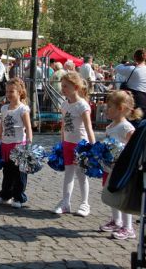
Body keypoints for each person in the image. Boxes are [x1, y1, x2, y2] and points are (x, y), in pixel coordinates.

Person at [99, 90, 142, 240]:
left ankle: (128, 227)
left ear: (121, 108)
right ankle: (116, 220)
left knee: (123, 197)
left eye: (109, 107)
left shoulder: (126, 127)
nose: (106, 110)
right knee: (112, 194)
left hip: (122, 169)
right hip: (109, 167)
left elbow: (133, 148)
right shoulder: (111, 126)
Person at [54, 72, 96, 216]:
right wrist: (61, 142)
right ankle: (66, 202)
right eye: (62, 85)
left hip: (81, 145)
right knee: (68, 174)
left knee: (81, 175)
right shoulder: (65, 104)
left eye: (66, 86)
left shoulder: (82, 105)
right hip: (67, 144)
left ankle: (85, 204)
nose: (63, 88)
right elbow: (63, 125)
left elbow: (89, 127)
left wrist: (93, 147)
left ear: (76, 87)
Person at [0, 78, 32, 208]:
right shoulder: (4, 108)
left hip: (19, 145)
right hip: (6, 145)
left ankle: (18, 197)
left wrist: (29, 143)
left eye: (12, 91)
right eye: (7, 91)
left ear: (19, 92)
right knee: (7, 172)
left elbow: (28, 127)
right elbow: (1, 125)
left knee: (19, 173)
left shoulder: (23, 109)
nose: (8, 94)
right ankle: (5, 195)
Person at [115, 48, 146, 117]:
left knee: (133, 120)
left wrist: (129, 64)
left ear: (134, 57)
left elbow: (117, 67)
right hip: (144, 97)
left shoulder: (131, 69)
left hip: (134, 98)